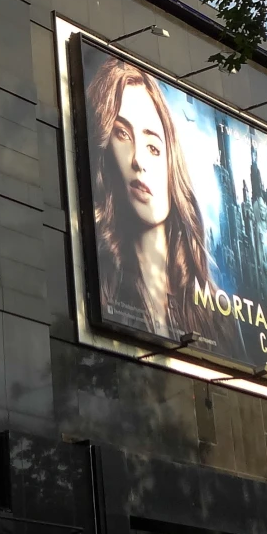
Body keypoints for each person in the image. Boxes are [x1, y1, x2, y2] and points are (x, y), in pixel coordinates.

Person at [84, 51, 213, 339]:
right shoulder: (98, 284)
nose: (138, 160)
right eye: (122, 135)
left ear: (171, 164)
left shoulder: (213, 314)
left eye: (153, 147)